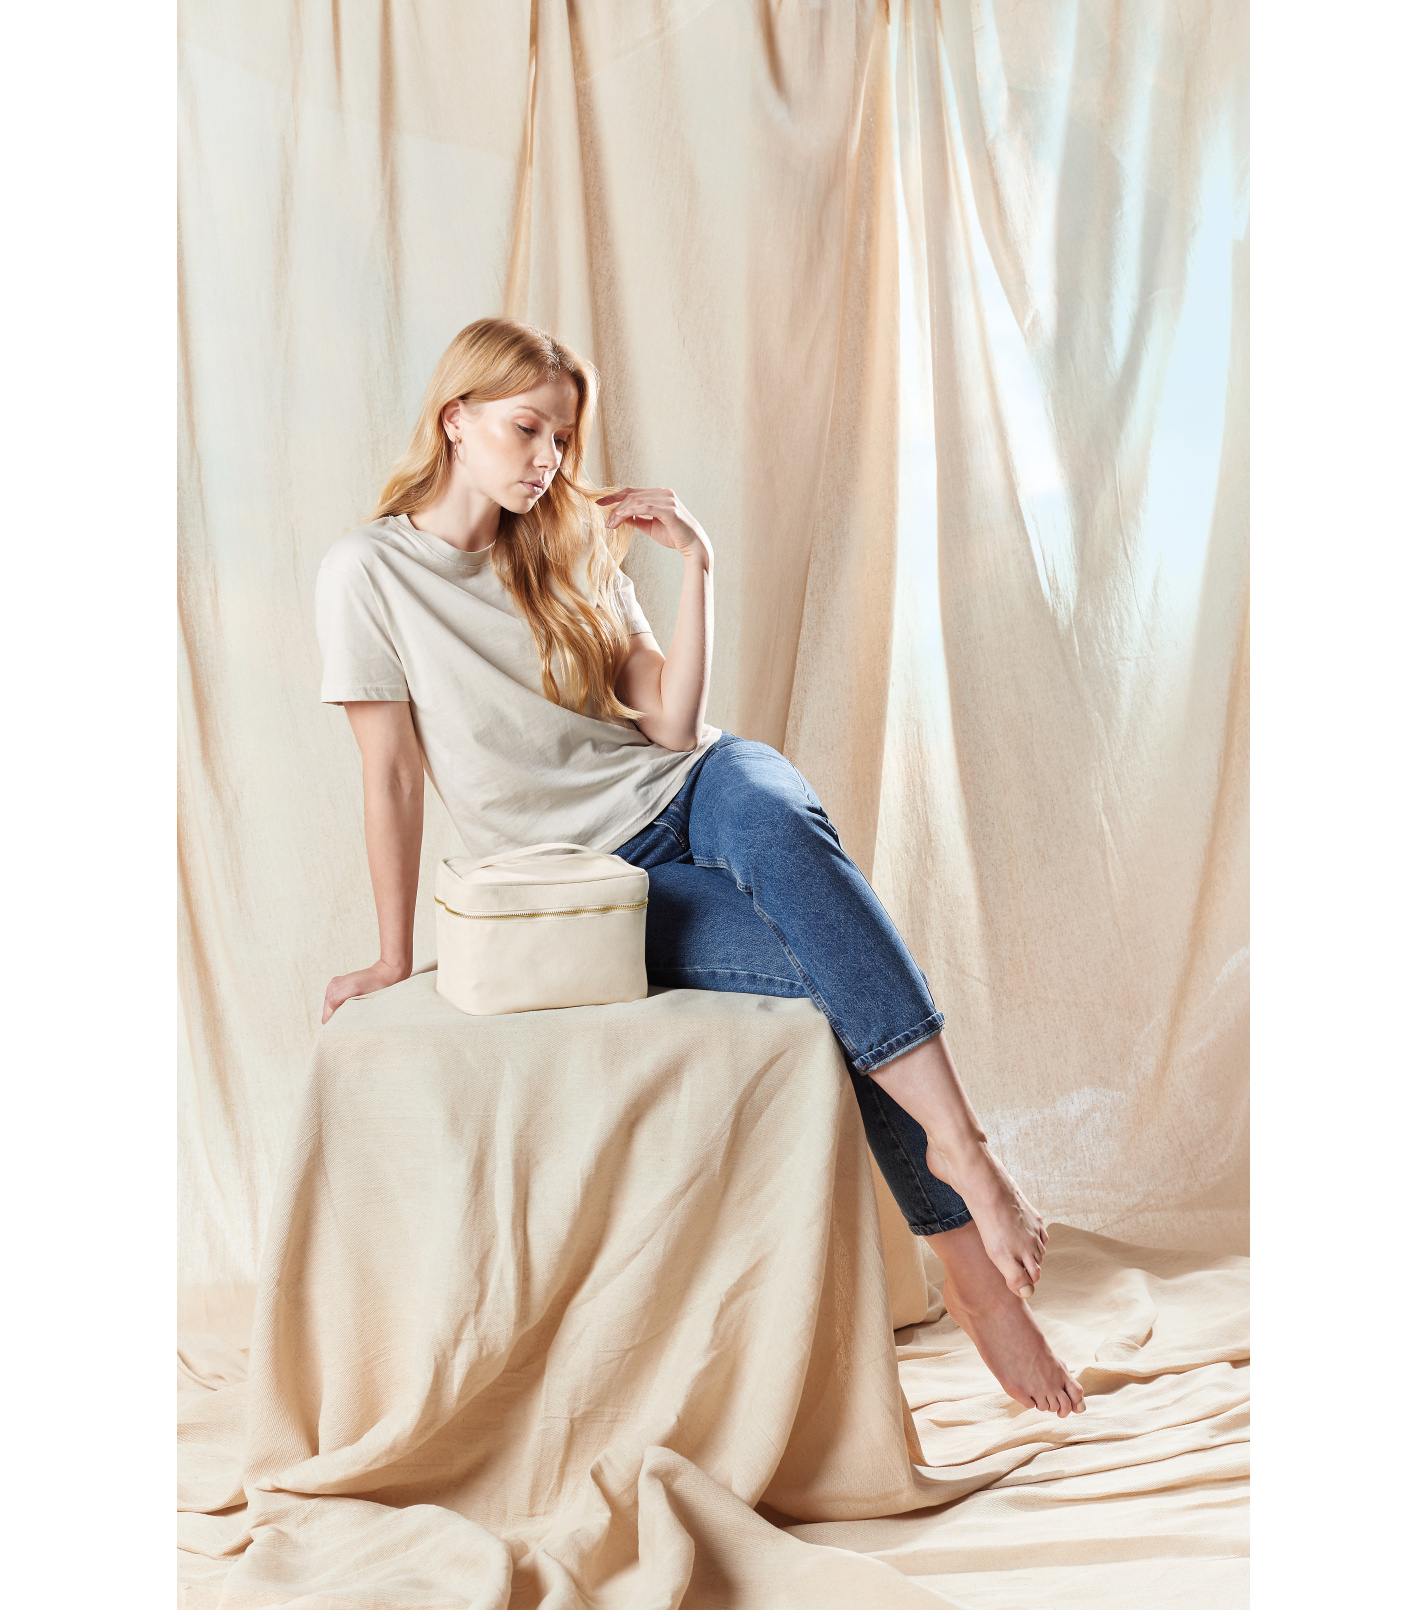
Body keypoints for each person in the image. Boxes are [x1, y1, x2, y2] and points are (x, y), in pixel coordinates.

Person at [315, 317, 1086, 1419]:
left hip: (696, 784)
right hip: (591, 880)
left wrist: (699, 566)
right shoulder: (368, 572)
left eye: (562, 437)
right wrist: (392, 954)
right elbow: (390, 774)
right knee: (824, 964)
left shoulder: (569, 545)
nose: (548, 459)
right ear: (455, 420)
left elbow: (674, 727)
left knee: (776, 821)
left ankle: (963, 1157)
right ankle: (971, 1271)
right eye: (526, 429)